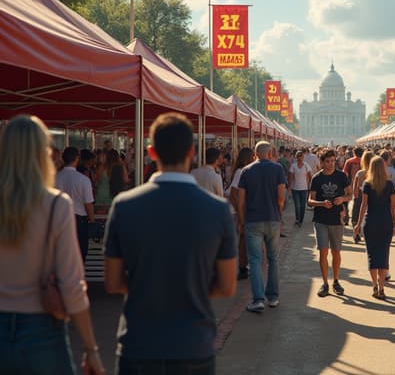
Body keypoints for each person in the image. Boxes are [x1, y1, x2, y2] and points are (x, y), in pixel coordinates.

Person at [104, 113, 236, 374]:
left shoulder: (124, 205)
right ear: (192, 152)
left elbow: (112, 282)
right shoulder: (218, 210)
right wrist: (190, 288)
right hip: (193, 345)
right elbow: (226, 286)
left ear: (151, 152)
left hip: (139, 344)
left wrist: (148, 286)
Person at [0, 115, 105, 375]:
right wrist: (90, 348)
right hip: (42, 329)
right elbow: (72, 285)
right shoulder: (56, 204)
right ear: (44, 153)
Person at [237, 141, 287, 313]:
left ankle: (258, 299)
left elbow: (241, 200)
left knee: (255, 261)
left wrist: (242, 221)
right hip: (272, 219)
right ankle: (272, 297)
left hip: (253, 220)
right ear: (270, 152)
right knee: (273, 259)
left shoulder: (247, 170)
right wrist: (279, 214)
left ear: (255, 154)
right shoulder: (278, 168)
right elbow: (281, 197)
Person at [308, 149, 352, 297]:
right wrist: (321, 203)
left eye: (333, 161)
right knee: (323, 252)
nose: (331, 164)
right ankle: (325, 282)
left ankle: (336, 280)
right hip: (320, 219)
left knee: (336, 252)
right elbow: (310, 200)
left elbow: (350, 194)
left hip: (337, 219)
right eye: (328, 161)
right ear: (322, 162)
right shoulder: (316, 178)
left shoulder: (341, 176)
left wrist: (343, 199)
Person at [354, 156, 395, 300]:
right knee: (384, 254)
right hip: (385, 221)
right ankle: (382, 288)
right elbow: (393, 207)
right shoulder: (390, 185)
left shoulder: (367, 184)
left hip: (370, 221)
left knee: (372, 255)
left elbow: (363, 205)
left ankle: (374, 286)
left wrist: (358, 223)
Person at [55, 146, 95, 263]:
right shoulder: (83, 180)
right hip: (79, 219)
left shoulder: (55, 177)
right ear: (77, 159)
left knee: (62, 254)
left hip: (59, 219)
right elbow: (88, 203)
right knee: (80, 253)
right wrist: (92, 220)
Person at [228, 147, 254, 280]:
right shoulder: (240, 172)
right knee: (241, 240)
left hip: (238, 210)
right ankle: (241, 267)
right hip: (236, 211)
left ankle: (242, 266)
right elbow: (233, 194)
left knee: (242, 239)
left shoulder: (241, 171)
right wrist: (240, 213)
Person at [351, 150, 374, 243]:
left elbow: (355, 189)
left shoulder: (360, 173)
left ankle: (356, 233)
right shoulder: (374, 173)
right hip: (372, 196)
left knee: (356, 214)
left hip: (360, 195)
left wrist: (355, 196)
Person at [289, 151, 312, 227]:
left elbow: (309, 176)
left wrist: (309, 186)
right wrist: (289, 186)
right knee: (297, 205)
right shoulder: (293, 166)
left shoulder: (306, 166)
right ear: (296, 157)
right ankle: (297, 219)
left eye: (301, 156)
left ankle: (301, 220)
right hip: (295, 189)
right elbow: (291, 177)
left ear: (303, 157)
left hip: (304, 188)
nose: (300, 157)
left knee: (302, 206)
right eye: (298, 156)